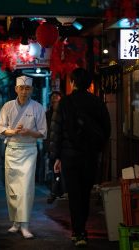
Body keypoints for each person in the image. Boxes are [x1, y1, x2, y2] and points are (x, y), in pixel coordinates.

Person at [49, 68, 111, 247]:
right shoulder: (97, 102)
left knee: (74, 194)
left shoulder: (65, 103)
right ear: (89, 83)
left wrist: (56, 157)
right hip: (90, 156)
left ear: (73, 83)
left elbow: (56, 131)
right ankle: (81, 229)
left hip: (69, 157)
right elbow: (106, 129)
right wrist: (97, 148)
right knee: (85, 192)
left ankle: (78, 232)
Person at [0, 75, 47, 239]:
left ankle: (25, 224)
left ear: (31, 90)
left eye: (27, 88)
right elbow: (1, 129)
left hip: (28, 151)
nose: (24, 92)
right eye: (21, 88)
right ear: (16, 89)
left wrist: (28, 132)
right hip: (11, 149)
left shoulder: (38, 108)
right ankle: (16, 222)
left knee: (26, 188)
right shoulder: (7, 106)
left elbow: (42, 133)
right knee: (12, 189)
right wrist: (14, 131)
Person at [44, 91, 67, 204]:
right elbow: (46, 133)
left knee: (59, 171)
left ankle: (57, 192)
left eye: (57, 100)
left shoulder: (65, 113)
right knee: (55, 171)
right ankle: (56, 191)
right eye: (53, 100)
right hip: (52, 147)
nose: (55, 102)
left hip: (62, 147)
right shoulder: (47, 114)